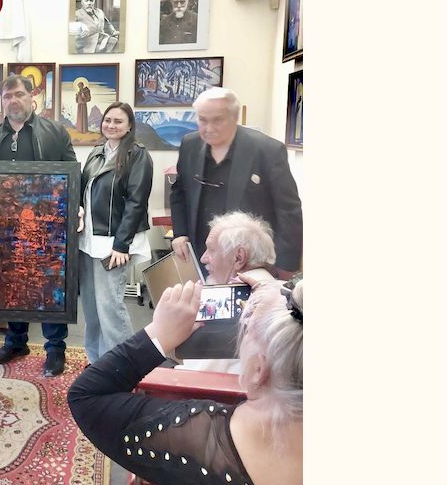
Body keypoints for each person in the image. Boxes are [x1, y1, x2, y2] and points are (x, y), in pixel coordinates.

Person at [68, 277, 303, 485]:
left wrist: (158, 336)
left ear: (258, 369)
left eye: (246, 331)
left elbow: (86, 396)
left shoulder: (194, 439)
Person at [0, 74, 77, 377]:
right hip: (5, 224)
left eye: (19, 94)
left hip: (45, 224)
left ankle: (55, 349)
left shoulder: (55, 132)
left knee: (48, 283)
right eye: (7, 96)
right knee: (12, 282)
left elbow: (73, 173)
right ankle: (16, 342)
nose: (13, 101)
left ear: (32, 97)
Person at [169, 87, 302, 276]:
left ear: (234, 117)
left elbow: (288, 210)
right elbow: (179, 191)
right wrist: (180, 233)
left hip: (250, 261)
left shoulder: (267, 150)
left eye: (218, 120)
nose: (209, 128)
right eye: (203, 120)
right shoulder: (190, 145)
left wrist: (286, 265)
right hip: (201, 255)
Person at [78, 102, 153, 364]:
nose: (111, 125)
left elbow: (136, 202)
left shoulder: (137, 155)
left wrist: (122, 245)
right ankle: (96, 363)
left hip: (114, 244)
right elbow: (84, 191)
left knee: (110, 308)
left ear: (129, 126)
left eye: (118, 121)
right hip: (88, 240)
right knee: (91, 309)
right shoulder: (96, 152)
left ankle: (120, 368)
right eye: (108, 120)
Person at [176, 211, 280, 365]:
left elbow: (198, 371)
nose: (203, 258)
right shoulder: (281, 291)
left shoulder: (225, 299)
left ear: (239, 257)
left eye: (211, 250)